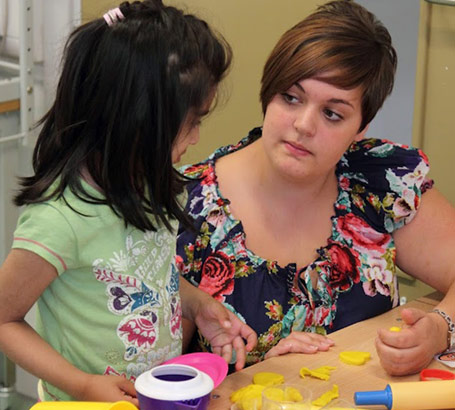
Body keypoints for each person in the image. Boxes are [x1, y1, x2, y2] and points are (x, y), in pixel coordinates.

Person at [176, 0, 455, 376]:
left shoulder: (378, 183)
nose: (304, 125)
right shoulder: (184, 206)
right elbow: (154, 382)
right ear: (267, 91)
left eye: (332, 114)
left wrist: (440, 326)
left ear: (360, 129)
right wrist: (262, 376)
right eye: (290, 98)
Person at [0, 0, 257, 404]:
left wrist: (197, 305)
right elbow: (4, 320)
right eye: (192, 122)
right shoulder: (60, 219)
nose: (195, 139)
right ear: (136, 120)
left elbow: (150, 278)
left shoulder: (153, 187)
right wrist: (81, 384)